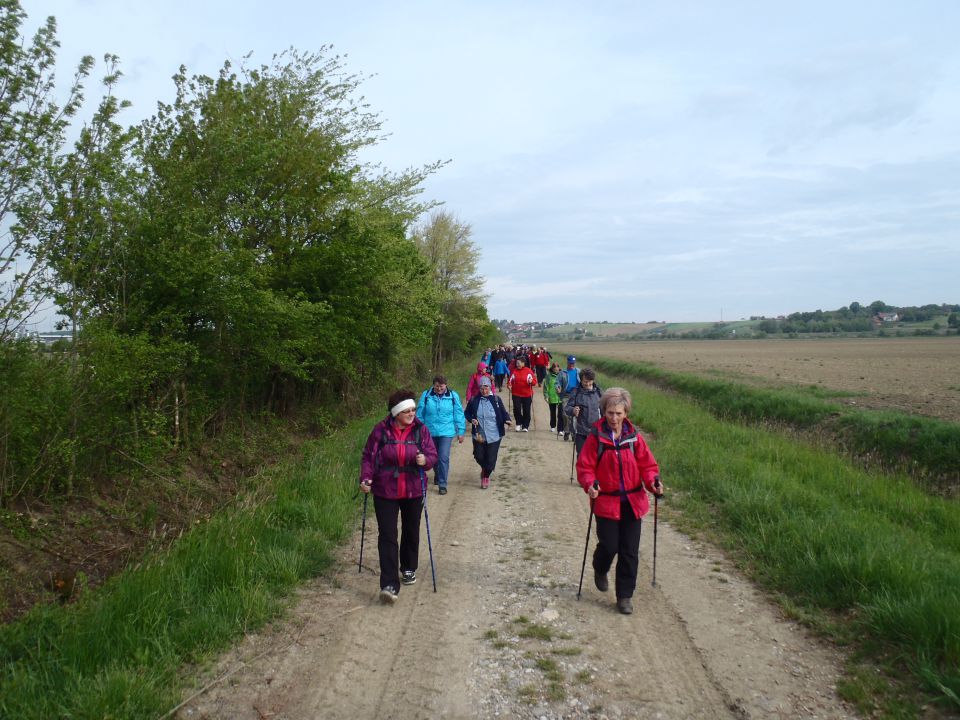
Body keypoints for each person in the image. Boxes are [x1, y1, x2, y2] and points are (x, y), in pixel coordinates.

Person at [577, 387, 663, 615]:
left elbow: (648, 465)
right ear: (603, 412)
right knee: (609, 546)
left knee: (629, 551)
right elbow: (585, 466)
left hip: (633, 502)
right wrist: (590, 483)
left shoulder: (634, 437)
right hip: (606, 502)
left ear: (626, 413)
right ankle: (600, 567)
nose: (614, 418)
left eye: (618, 413)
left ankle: (624, 596)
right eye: (610, 413)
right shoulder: (596, 437)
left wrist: (653, 481)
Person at [360, 389, 439, 603]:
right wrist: (366, 478)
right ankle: (389, 584)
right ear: (396, 413)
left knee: (411, 529)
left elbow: (432, 453)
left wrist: (426, 461)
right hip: (385, 489)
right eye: (407, 411)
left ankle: (408, 567)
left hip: (413, 488)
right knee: (387, 535)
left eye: (413, 409)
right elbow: (369, 456)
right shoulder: (381, 431)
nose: (412, 413)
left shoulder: (421, 430)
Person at [416, 375, 466, 496]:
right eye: (437, 386)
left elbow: (458, 414)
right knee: (433, 458)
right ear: (433, 385)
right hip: (429, 432)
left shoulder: (453, 396)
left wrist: (461, 431)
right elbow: (419, 414)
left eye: (441, 386)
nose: (439, 389)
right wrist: (418, 430)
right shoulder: (426, 395)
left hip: (446, 432)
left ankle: (443, 484)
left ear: (446, 385)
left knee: (443, 457)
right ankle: (438, 475)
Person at [463, 376, 512, 488]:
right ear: (479, 388)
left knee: (491, 460)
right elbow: (466, 413)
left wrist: (507, 420)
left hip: (494, 434)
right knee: (478, 456)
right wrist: (472, 419)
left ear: (490, 387)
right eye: (482, 388)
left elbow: (503, 413)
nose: (484, 391)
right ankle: (485, 468)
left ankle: (485, 476)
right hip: (479, 435)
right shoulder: (474, 400)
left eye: (486, 388)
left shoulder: (496, 400)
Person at [564, 367, 602, 455]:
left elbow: (604, 411)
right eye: (585, 381)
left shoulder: (599, 392)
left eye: (590, 381)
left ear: (593, 380)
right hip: (580, 432)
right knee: (581, 456)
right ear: (580, 380)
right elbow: (567, 408)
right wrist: (573, 410)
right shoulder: (576, 392)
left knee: (595, 457)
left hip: (596, 432)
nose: (588, 384)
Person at [507, 355, 537, 432]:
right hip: (516, 393)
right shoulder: (514, 371)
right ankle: (518, 423)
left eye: (519, 363)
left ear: (523, 363)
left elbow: (534, 382)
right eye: (517, 363)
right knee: (517, 409)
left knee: (526, 410)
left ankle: (525, 425)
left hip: (527, 394)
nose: (517, 364)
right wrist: (509, 385)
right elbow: (509, 381)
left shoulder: (528, 371)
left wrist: (531, 382)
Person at [557, 355, 580, 440]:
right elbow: (557, 383)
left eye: (573, 363)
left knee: (575, 415)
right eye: (570, 363)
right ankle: (567, 431)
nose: (571, 365)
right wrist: (558, 387)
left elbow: (584, 381)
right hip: (566, 395)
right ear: (567, 362)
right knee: (565, 414)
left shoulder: (579, 372)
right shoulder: (562, 373)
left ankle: (574, 433)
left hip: (576, 395)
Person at [543, 361, 565, 435]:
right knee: (553, 413)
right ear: (552, 369)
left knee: (561, 414)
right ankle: (552, 425)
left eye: (557, 368)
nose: (556, 370)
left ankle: (561, 429)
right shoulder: (548, 376)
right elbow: (546, 386)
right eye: (554, 369)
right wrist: (546, 396)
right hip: (551, 397)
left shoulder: (562, 375)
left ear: (559, 368)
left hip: (560, 398)